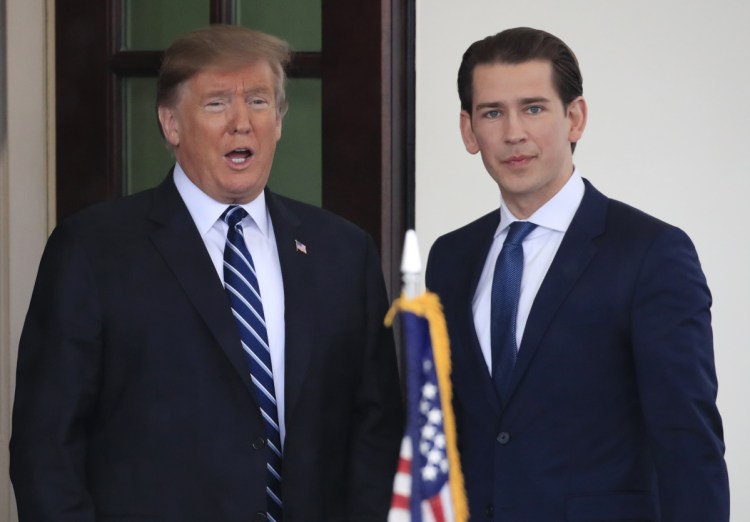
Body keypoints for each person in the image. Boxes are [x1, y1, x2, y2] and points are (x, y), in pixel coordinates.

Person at [10, 25, 402, 522]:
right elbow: (45, 450)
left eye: (258, 102)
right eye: (217, 104)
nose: (242, 123)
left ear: (279, 120)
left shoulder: (343, 252)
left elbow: (376, 432)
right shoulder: (93, 251)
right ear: (171, 124)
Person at [425, 27, 729, 521]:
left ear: (575, 117)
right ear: (468, 130)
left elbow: (687, 442)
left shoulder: (651, 252)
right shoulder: (450, 257)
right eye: (492, 113)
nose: (513, 133)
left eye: (534, 108)